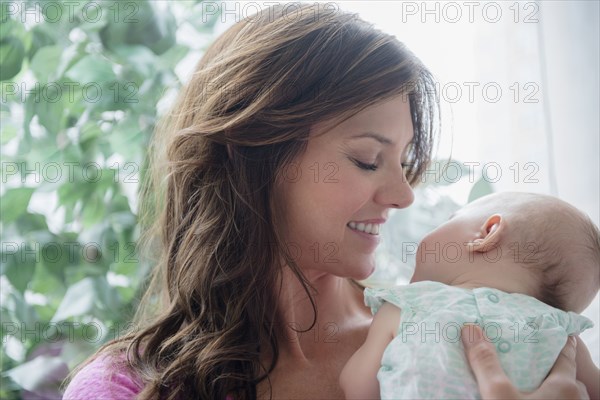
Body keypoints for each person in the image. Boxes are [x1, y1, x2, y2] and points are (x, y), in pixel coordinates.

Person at [63, 3, 588, 399]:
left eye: (404, 161)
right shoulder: (128, 387)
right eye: (366, 159)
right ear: (255, 156)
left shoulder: (476, 338)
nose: (403, 195)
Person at [340, 192, 600, 399]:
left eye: (450, 218)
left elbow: (356, 387)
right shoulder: (563, 337)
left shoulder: (408, 306)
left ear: (487, 233)